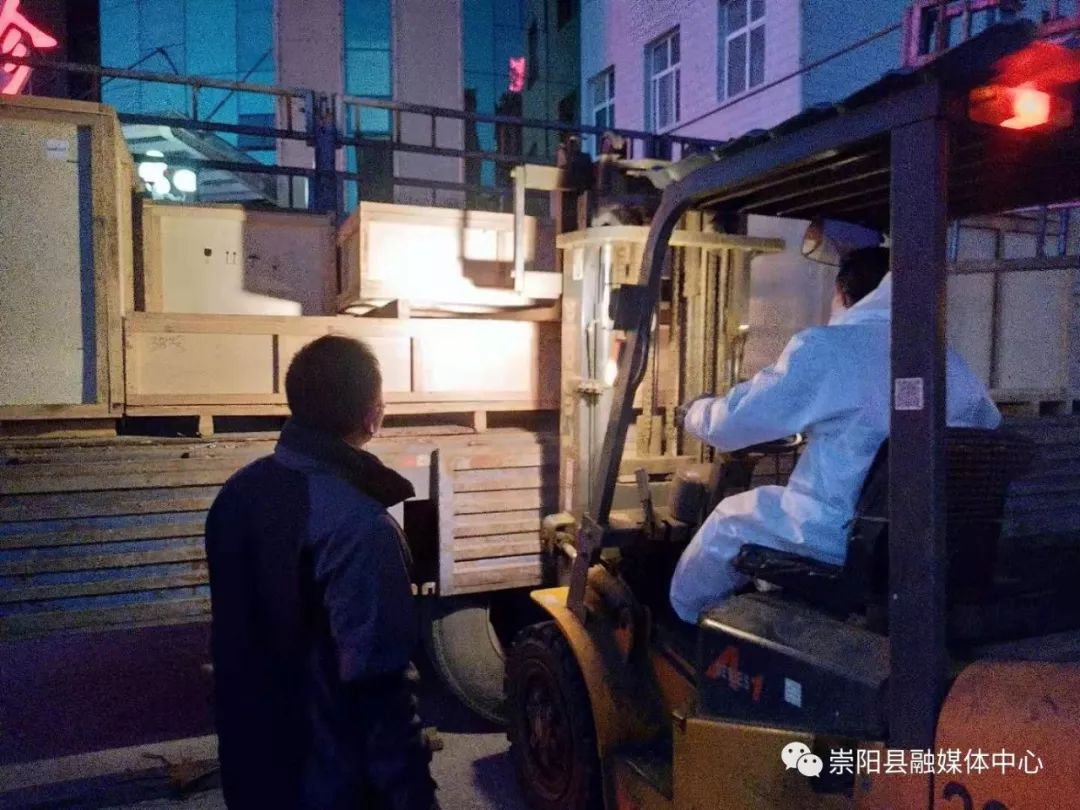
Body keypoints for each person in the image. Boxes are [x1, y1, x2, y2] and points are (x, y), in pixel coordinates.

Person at [669, 247, 1001, 624]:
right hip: (927, 541)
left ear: (843, 294)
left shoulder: (830, 347)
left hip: (842, 535)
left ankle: (687, 624)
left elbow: (733, 423)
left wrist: (693, 412)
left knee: (729, 521)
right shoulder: (946, 359)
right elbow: (987, 428)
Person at [204, 335, 439, 809]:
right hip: (329, 789)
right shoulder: (360, 527)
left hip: (249, 771)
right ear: (372, 416)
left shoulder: (236, 493)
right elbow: (382, 696)